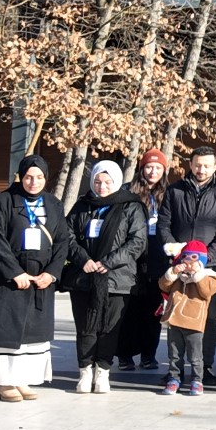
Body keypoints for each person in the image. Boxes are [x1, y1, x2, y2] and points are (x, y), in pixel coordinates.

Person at [0, 155, 71, 402]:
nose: (33, 182)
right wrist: (14, 272)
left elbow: (62, 241)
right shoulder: (3, 201)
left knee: (32, 333)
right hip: (8, 280)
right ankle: (5, 382)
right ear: (20, 176)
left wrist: (52, 273)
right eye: (28, 177)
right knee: (6, 331)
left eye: (39, 177)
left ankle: (22, 379)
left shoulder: (53, 204)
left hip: (40, 279)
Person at [64, 160, 146, 395]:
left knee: (109, 328)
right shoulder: (82, 205)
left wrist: (107, 262)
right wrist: (83, 259)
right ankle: (85, 371)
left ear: (117, 182)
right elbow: (67, 236)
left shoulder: (131, 206)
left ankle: (102, 371)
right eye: (98, 182)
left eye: (108, 182)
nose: (102, 186)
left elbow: (137, 241)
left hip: (117, 278)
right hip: (84, 277)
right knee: (85, 328)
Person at [158, 146, 216, 381]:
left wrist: (206, 258)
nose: (201, 169)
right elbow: (164, 224)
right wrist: (176, 251)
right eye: (198, 165)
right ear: (190, 165)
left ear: (215, 166)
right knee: (176, 314)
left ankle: (204, 368)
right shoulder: (174, 191)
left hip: (209, 267)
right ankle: (175, 370)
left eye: (207, 165)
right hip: (180, 265)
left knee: (209, 318)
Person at [124, 147, 171, 372]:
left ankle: (148, 355)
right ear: (141, 169)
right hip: (132, 258)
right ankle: (125, 355)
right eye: (149, 167)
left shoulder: (170, 194)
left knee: (154, 311)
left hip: (158, 259)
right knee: (129, 311)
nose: (153, 172)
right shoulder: (128, 192)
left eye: (158, 168)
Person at [157, 241, 216, 395]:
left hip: (194, 322)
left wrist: (197, 274)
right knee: (174, 355)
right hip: (174, 320)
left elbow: (207, 292)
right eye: (185, 257)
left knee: (195, 355)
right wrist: (173, 272)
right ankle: (174, 378)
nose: (189, 262)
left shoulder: (210, 276)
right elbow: (163, 285)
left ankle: (197, 380)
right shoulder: (178, 276)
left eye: (193, 258)